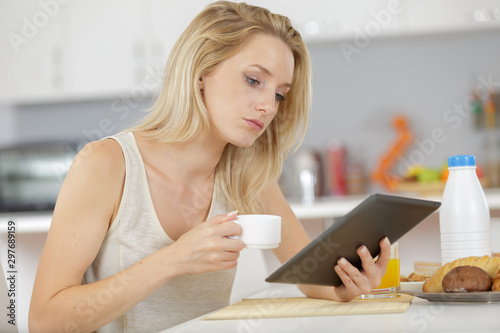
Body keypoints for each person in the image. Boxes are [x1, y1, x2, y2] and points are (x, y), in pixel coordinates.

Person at [29, 1, 391, 332]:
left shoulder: (249, 176)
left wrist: (346, 284)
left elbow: (312, 278)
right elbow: (45, 320)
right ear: (201, 72)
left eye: (279, 94)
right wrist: (172, 260)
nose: (268, 106)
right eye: (253, 80)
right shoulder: (107, 165)